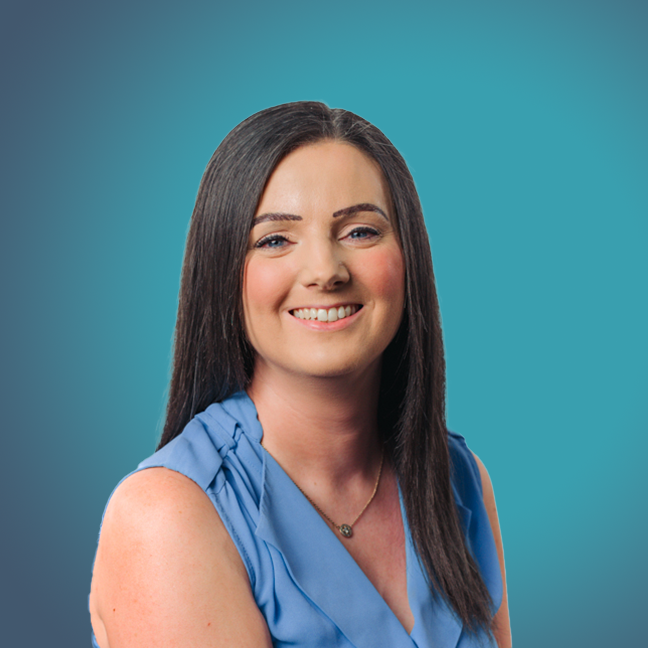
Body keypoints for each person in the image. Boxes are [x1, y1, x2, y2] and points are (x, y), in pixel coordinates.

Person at [89, 102, 511, 648]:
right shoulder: (167, 517)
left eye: (360, 231)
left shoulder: (460, 480)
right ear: (223, 273)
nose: (325, 271)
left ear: (409, 257)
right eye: (274, 240)